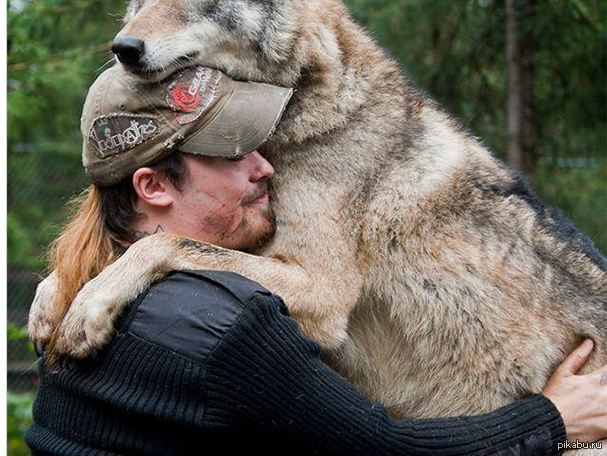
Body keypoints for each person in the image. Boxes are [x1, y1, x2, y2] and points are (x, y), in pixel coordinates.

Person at [26, 65, 607, 455]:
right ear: (153, 186)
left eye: (262, 145)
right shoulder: (228, 325)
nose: (265, 168)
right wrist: (554, 419)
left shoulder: (75, 295)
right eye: (232, 152)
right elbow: (387, 452)